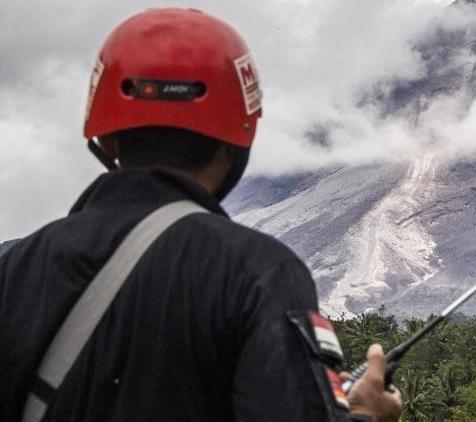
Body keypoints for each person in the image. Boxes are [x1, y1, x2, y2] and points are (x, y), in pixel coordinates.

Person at [0, 8, 402, 422]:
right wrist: (367, 416)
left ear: (104, 136)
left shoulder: (15, 271)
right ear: (240, 136)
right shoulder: (260, 273)